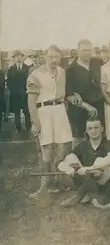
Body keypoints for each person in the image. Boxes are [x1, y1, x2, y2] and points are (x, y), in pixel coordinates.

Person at [27, 45, 73, 201]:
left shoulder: (63, 72)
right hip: (43, 111)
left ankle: (58, 180)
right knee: (46, 149)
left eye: (57, 57)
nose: (54, 60)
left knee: (64, 146)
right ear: (44, 57)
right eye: (51, 56)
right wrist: (36, 122)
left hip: (59, 110)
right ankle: (45, 184)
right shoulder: (35, 75)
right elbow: (31, 102)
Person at [57, 119, 110, 207]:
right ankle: (87, 193)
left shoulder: (109, 144)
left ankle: (79, 196)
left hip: (106, 184)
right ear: (86, 131)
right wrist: (69, 169)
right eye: (90, 128)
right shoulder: (83, 145)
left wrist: (89, 169)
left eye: (96, 128)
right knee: (72, 160)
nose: (93, 131)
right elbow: (64, 161)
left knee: (98, 169)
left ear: (102, 129)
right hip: (88, 178)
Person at [66, 39, 105, 147]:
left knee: (98, 136)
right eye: (83, 50)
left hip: (98, 106)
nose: (87, 52)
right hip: (80, 109)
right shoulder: (70, 69)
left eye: (89, 50)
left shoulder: (98, 63)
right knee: (79, 139)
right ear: (78, 51)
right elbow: (68, 94)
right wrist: (87, 107)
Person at [7, 50, 31, 134]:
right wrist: (14, 91)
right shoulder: (11, 69)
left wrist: (27, 91)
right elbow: (9, 82)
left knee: (27, 113)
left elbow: (30, 81)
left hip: (25, 95)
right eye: (16, 56)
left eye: (19, 56)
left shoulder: (27, 68)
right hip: (15, 96)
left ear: (22, 57)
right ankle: (18, 128)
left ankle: (28, 128)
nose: (18, 58)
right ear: (14, 58)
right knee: (17, 113)